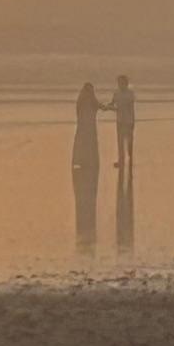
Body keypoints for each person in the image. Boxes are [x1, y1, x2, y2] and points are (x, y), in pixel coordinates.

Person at [71, 81, 104, 254]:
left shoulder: (85, 99)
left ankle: (86, 161)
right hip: (87, 126)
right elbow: (98, 107)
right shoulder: (86, 99)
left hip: (86, 125)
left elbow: (99, 106)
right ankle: (87, 161)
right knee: (87, 142)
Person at [109, 74, 138, 258]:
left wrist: (105, 107)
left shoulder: (126, 95)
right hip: (122, 120)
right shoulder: (122, 94)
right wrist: (106, 107)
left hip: (125, 120)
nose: (120, 84)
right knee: (122, 142)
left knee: (127, 142)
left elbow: (115, 106)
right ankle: (124, 161)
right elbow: (113, 105)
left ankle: (128, 160)